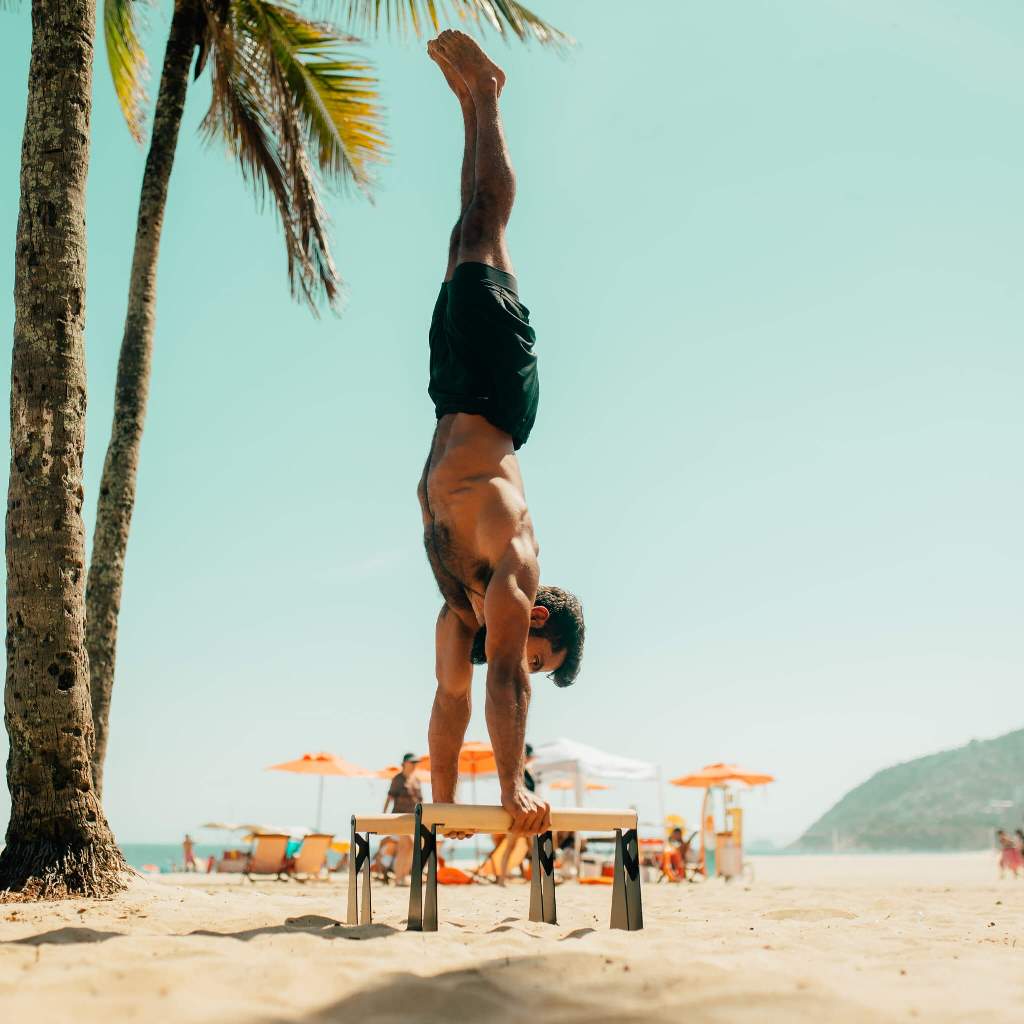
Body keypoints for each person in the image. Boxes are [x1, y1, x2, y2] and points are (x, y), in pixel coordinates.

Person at [417, 29, 585, 838]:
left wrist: (447, 799)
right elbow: (506, 686)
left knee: (462, 238)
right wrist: (513, 785)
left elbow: (453, 697)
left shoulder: (463, 609)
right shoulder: (515, 567)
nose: (520, 658)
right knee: (486, 227)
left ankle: (469, 105)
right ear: (540, 625)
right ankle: (487, 93)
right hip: (492, 396)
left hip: (451, 396)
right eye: (542, 655)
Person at [383, 753, 424, 884]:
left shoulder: (417, 780)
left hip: (413, 818)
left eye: (415, 763)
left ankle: (402, 877)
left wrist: (425, 816)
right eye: (411, 762)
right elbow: (389, 798)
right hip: (398, 817)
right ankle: (399, 878)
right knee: (407, 845)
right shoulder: (398, 779)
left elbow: (421, 801)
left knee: (411, 847)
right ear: (404, 763)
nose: (414, 765)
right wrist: (383, 817)